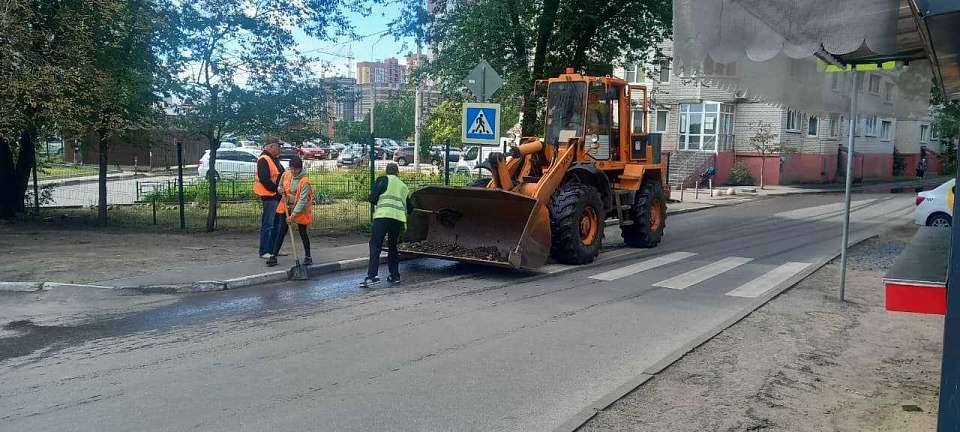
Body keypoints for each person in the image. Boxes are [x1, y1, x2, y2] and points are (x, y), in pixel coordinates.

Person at [363, 163, 411, 287]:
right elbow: (410, 207)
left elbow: (372, 198)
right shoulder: (403, 186)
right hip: (397, 220)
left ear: (386, 172)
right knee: (392, 247)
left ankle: (372, 276)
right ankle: (395, 276)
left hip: (382, 217)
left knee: (375, 245)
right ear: (397, 173)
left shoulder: (382, 180)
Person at [267, 156, 312, 267]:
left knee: (302, 232)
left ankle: (308, 257)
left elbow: (302, 201)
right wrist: (279, 189)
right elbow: (280, 186)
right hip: (286, 207)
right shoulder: (286, 174)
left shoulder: (305, 181)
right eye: (291, 168)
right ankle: (274, 256)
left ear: (300, 169)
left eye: (294, 169)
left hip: (299, 209)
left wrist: (293, 216)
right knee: (281, 230)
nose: (292, 171)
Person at [254, 138, 285, 258]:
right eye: (278, 146)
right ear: (270, 147)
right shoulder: (263, 159)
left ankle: (273, 249)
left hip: (276, 196)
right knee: (268, 224)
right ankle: (264, 251)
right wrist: (276, 189)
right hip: (269, 196)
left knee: (277, 224)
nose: (280, 149)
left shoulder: (274, 159)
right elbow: (265, 180)